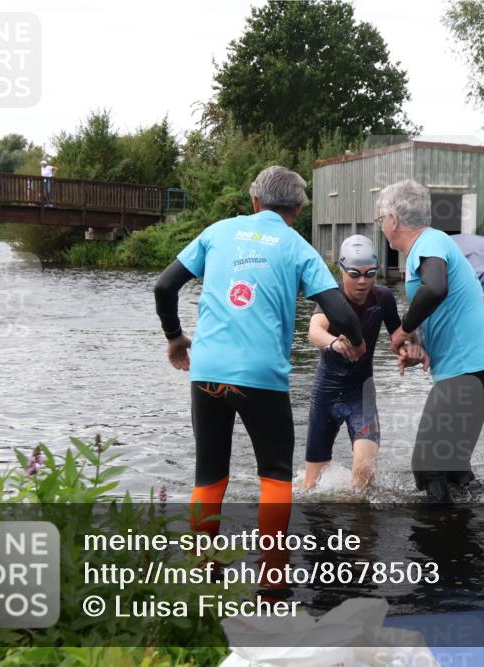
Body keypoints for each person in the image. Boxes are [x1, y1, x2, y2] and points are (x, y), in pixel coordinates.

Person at [153, 165, 365, 591]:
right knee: (273, 475)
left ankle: (204, 574)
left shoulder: (217, 232)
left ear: (254, 201)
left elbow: (163, 287)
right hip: (261, 380)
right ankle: (272, 582)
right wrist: (356, 342)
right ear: (299, 209)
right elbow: (340, 313)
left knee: (209, 474)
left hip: (207, 373)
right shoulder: (297, 246)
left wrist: (176, 338)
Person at [378, 179, 484, 503]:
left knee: (427, 467)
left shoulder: (428, 241)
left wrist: (403, 329)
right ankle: (469, 539)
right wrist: (421, 345)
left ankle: (436, 547)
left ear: (393, 219)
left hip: (467, 370)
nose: (380, 225)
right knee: (453, 467)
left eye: (380, 218)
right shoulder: (432, 245)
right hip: (483, 367)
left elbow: (436, 288)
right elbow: (443, 304)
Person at [303, 235, 422, 491]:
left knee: (364, 474)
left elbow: (399, 339)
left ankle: (362, 526)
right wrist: (334, 343)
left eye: (370, 274)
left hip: (362, 394)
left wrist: (410, 353)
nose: (362, 281)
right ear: (342, 269)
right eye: (355, 273)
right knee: (311, 486)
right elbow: (314, 330)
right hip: (326, 393)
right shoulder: (331, 296)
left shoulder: (383, 298)